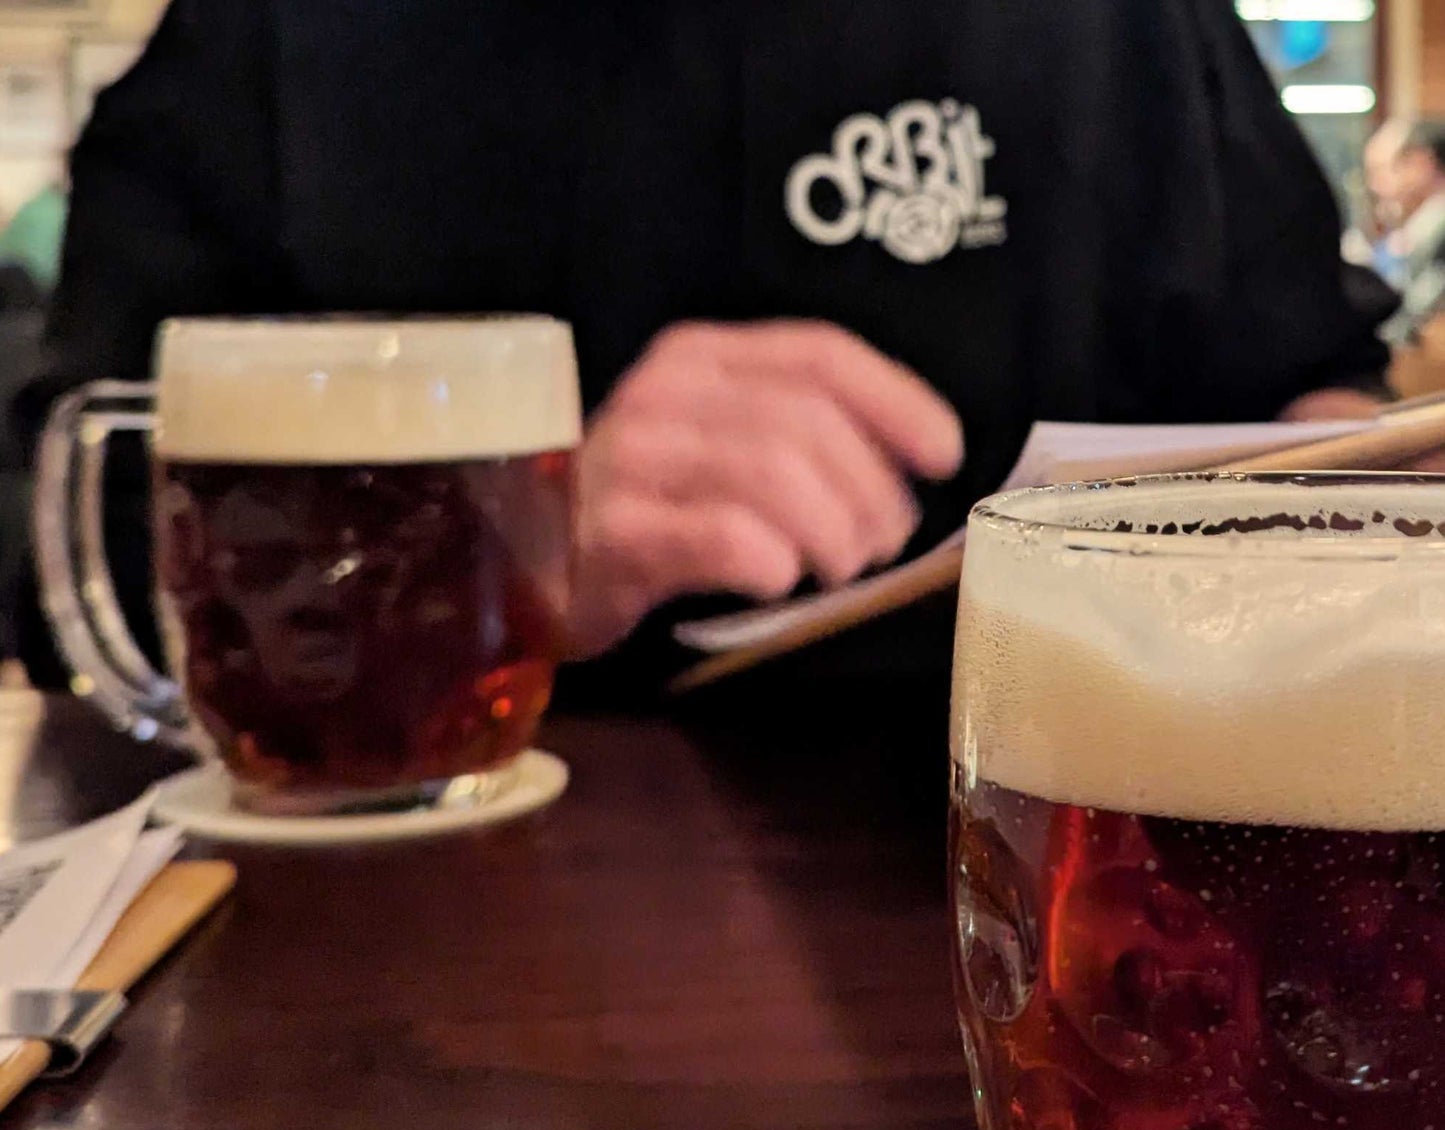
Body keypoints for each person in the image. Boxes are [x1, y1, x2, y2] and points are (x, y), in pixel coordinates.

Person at [20, 0, 1397, 690]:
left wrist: (1347, 536)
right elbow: (54, 511)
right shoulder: (286, 39)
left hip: (1072, 917)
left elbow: (1310, 391)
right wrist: (479, 552)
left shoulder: (1116, 25)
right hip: (419, 981)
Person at [1362, 119, 1445, 348]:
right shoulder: (1414, 230)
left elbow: (1406, 323)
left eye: (1380, 170)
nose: (1375, 186)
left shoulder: (1436, 229)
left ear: (1421, 163)